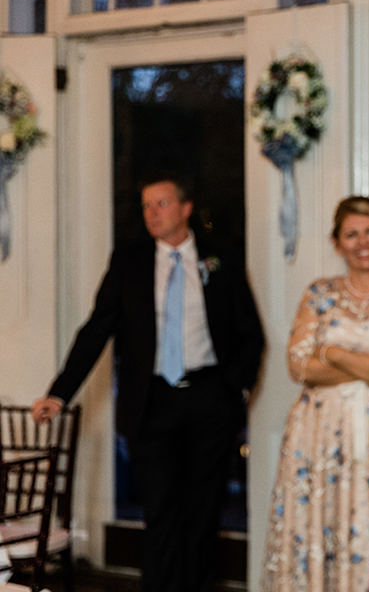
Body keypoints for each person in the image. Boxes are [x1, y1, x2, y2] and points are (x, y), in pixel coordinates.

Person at [32, 172, 265, 592]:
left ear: (185, 208)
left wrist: (235, 388)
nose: (151, 213)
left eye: (160, 203)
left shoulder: (222, 259)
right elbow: (96, 330)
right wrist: (59, 393)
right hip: (151, 404)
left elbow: (251, 333)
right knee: (160, 514)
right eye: (145, 206)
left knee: (202, 514)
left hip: (209, 402)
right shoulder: (129, 262)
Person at [261, 196, 369, 592]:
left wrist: (332, 352)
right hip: (317, 435)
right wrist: (364, 365)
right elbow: (298, 365)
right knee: (320, 521)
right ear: (337, 243)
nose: (362, 242)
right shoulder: (320, 293)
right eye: (351, 234)